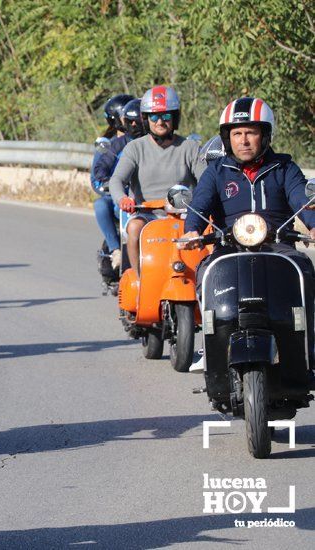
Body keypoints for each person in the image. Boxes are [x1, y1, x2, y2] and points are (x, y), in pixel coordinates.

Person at [178, 97, 315, 375]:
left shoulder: (284, 168)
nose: (244, 140)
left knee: (304, 270)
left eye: (251, 132)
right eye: (236, 134)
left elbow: (303, 200)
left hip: (277, 246)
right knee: (205, 273)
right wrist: (191, 229)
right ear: (227, 138)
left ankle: (308, 348)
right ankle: (210, 345)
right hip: (229, 247)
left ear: (265, 135)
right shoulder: (216, 172)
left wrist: (313, 225)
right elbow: (199, 204)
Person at [110, 85, 205, 273]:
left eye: (166, 116)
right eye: (153, 116)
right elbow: (117, 180)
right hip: (147, 215)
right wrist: (123, 199)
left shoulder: (190, 147)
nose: (160, 121)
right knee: (134, 228)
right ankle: (139, 281)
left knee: (210, 234)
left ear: (175, 118)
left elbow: (206, 181)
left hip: (184, 215)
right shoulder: (135, 148)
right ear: (145, 119)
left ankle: (203, 284)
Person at [91, 94, 136, 273]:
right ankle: (115, 249)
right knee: (101, 205)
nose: (134, 122)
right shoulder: (110, 146)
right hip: (119, 196)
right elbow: (97, 178)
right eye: (129, 118)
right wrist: (111, 187)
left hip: (142, 194)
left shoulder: (145, 142)